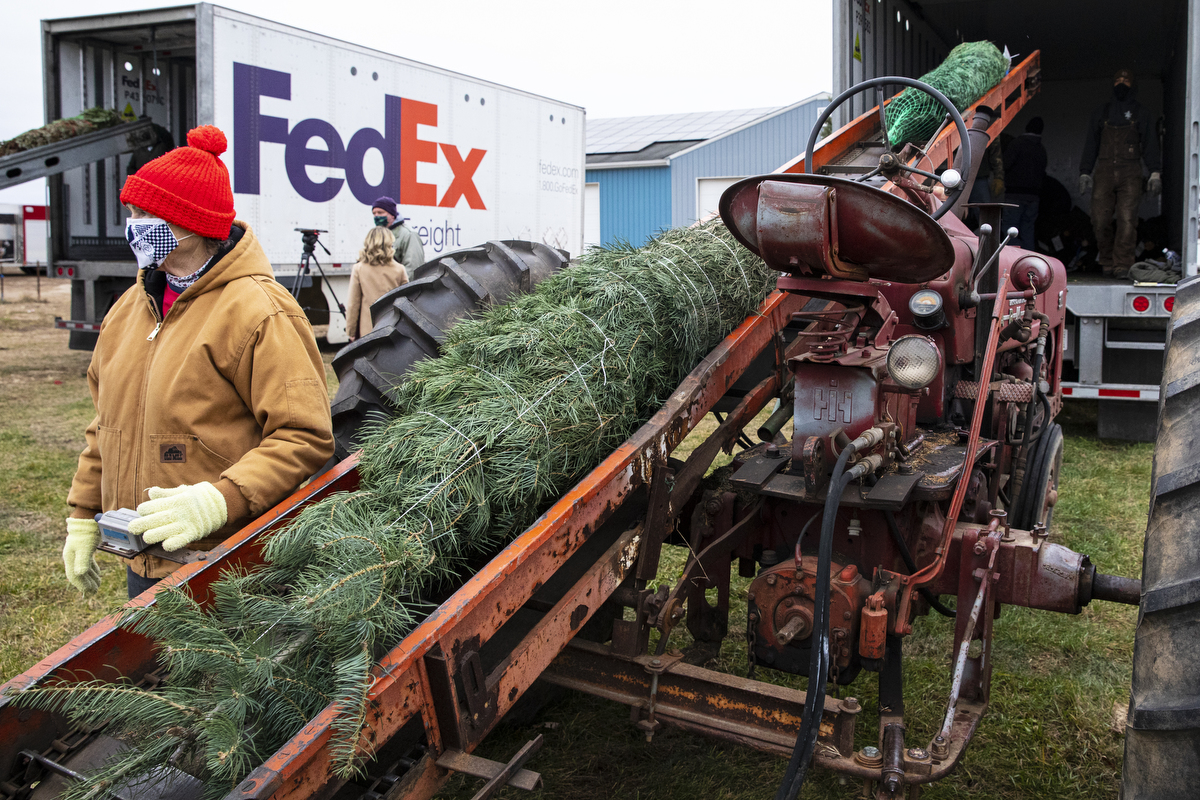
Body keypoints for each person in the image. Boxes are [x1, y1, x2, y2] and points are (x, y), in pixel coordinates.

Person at [61, 125, 335, 599]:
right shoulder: (128, 308)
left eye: (145, 214)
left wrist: (220, 501)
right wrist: (83, 516)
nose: (133, 225)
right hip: (144, 557)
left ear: (188, 223)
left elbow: (303, 436)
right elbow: (105, 425)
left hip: (227, 562)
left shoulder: (261, 312)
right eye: (131, 212)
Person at [1078, 69, 1162, 279]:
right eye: (1117, 80)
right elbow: (1091, 143)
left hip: (1130, 171)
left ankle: (1122, 265)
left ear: (1133, 85)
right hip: (1104, 171)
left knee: (1127, 220)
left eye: (1126, 80)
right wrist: (1085, 172)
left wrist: (1154, 172)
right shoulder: (1102, 112)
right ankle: (1107, 260)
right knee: (1099, 219)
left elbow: (1150, 143)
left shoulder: (1141, 113)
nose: (1121, 84)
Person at [346, 227, 409, 340]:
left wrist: (351, 330)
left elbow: (353, 304)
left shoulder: (359, 268)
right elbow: (407, 302)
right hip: (392, 328)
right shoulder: (400, 269)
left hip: (367, 330)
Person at [1002, 117, 1048, 251]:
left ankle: (1012, 258)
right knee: (1028, 230)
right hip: (1034, 197)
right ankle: (1028, 258)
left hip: (1014, 195)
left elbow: (1005, 164)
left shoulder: (1016, 144)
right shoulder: (1041, 149)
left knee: (1010, 230)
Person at [371, 196, 426, 272]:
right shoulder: (376, 235)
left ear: (392, 215)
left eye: (380, 212)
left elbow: (413, 269)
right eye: (374, 213)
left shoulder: (409, 235)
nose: (376, 216)